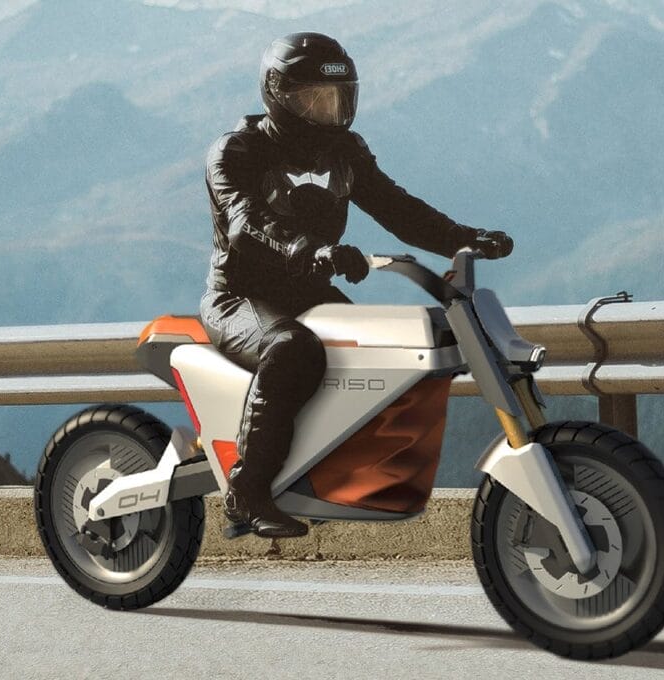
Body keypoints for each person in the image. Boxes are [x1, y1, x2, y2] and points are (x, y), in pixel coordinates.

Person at [200, 32, 513, 539]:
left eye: (339, 98)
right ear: (278, 96)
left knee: (379, 349)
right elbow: (245, 220)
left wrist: (465, 238)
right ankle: (246, 492)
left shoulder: (345, 151)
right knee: (293, 348)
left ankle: (339, 476)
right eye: (314, 100)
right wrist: (310, 248)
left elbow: (398, 209)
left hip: (306, 290)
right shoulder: (237, 151)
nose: (330, 110)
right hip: (240, 296)